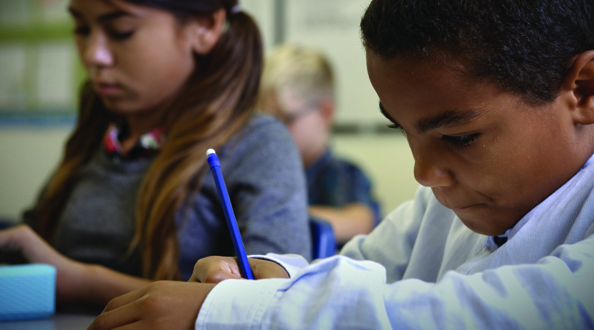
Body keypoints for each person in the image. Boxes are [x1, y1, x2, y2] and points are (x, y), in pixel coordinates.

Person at [89, 0, 594, 328]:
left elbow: (487, 314)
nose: (424, 172)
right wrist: (268, 274)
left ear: (584, 89)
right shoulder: (436, 211)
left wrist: (229, 313)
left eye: (459, 136)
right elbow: (358, 268)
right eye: (405, 131)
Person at [0, 0, 311, 308]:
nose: (93, 55)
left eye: (121, 31)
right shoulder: (101, 131)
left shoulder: (258, 142)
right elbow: (35, 243)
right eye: (81, 29)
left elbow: (274, 299)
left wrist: (80, 282)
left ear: (204, 27)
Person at [259, 44, 381, 245]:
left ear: (325, 112)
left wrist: (276, 216)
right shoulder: (264, 173)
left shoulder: (343, 173)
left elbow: (360, 222)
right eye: (266, 120)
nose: (271, 132)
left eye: (285, 119)